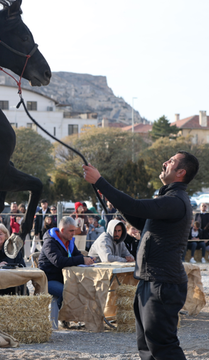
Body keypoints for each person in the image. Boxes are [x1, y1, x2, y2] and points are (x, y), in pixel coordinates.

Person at [84, 150, 199, 360]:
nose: (165, 162)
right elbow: (141, 220)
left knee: (163, 346)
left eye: (171, 161)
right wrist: (111, 196)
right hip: (150, 280)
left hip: (163, 283)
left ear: (181, 172)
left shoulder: (175, 200)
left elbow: (135, 206)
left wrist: (100, 182)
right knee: (146, 346)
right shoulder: (169, 199)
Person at [38, 216, 94, 312]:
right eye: (71, 230)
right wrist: (81, 259)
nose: (74, 233)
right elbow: (59, 262)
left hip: (64, 278)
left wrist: (88, 259)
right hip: (47, 280)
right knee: (67, 292)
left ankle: (71, 316)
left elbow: (77, 255)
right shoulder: (50, 242)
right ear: (62, 230)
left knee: (86, 288)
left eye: (74, 230)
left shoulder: (69, 240)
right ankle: (61, 317)